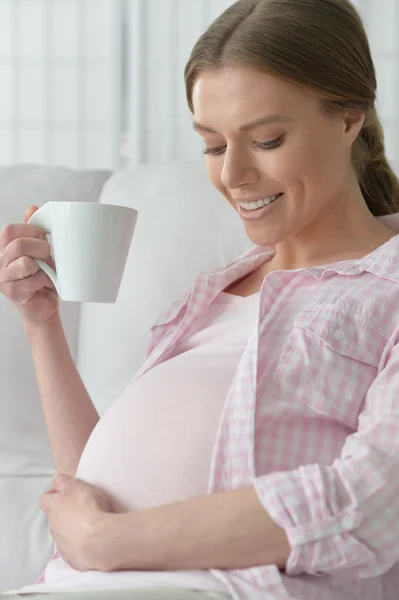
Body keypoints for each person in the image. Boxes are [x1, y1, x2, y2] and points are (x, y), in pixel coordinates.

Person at [1, 0, 399, 598]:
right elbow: (93, 489)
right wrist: (42, 324)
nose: (233, 174)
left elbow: (373, 503)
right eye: (213, 146)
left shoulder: (387, 287)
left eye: (266, 139)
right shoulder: (210, 296)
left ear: (348, 120)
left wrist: (108, 542)